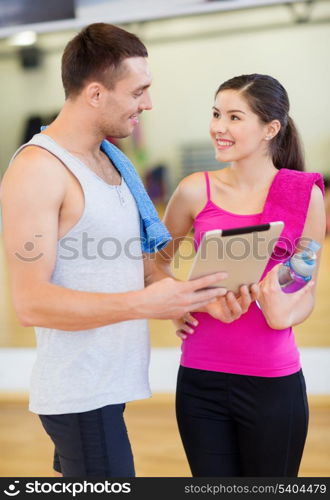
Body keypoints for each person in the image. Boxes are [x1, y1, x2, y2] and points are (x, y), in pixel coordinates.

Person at [0, 23, 230, 477]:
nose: (148, 103)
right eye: (138, 91)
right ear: (95, 94)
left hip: (109, 384)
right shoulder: (38, 171)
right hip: (79, 392)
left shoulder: (111, 161)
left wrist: (181, 297)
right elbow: (30, 304)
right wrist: (144, 303)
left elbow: (133, 266)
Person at [156, 74, 325, 477]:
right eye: (216, 114)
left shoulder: (306, 195)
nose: (219, 127)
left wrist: (285, 312)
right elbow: (155, 261)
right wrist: (178, 302)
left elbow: (305, 285)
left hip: (272, 382)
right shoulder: (195, 190)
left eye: (234, 117)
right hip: (200, 380)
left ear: (271, 129)